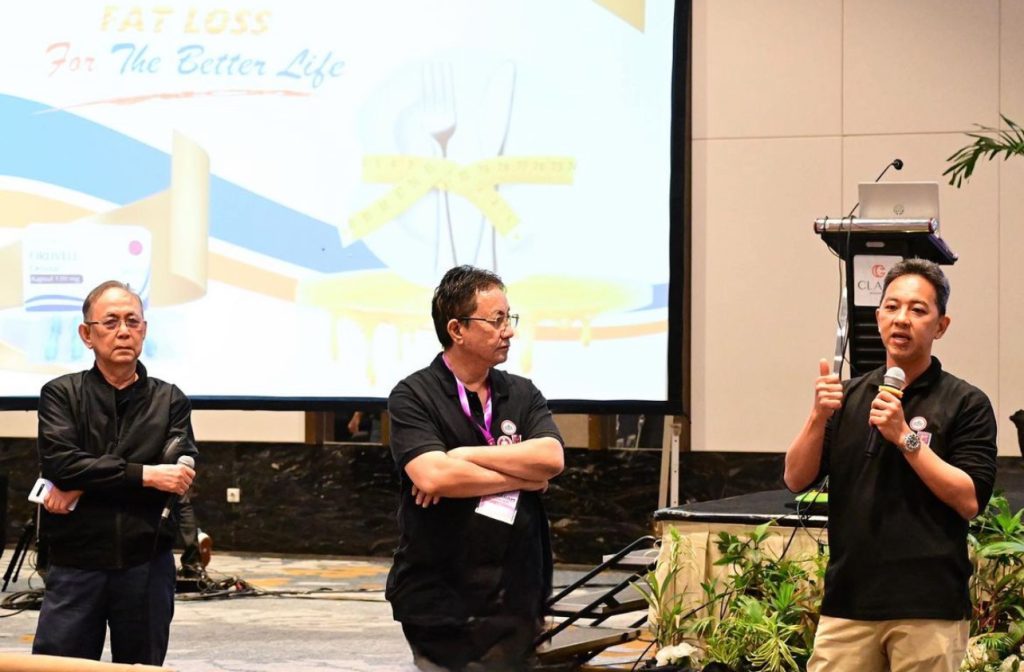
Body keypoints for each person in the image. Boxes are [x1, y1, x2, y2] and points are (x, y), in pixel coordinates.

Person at [785, 258, 997, 671]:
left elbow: (970, 499)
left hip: (928, 607)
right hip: (848, 603)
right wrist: (817, 416)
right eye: (892, 307)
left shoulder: (966, 402)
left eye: (918, 310)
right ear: (878, 317)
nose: (902, 319)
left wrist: (905, 437)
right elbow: (795, 478)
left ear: (941, 326)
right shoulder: (848, 396)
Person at [386, 265, 565, 671]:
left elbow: (551, 458)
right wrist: (526, 477)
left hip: (517, 592)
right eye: (496, 320)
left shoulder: (520, 392)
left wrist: (462, 455)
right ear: (457, 329)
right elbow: (433, 476)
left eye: (509, 318)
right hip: (441, 598)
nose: (509, 331)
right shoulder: (414, 395)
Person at [33, 280, 197, 665]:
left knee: (141, 667)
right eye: (110, 322)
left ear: (144, 330)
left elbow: (175, 476)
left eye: (132, 321)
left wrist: (79, 486)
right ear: (86, 334)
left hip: (146, 562)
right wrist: (146, 474)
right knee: (59, 667)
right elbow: (60, 463)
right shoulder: (61, 394)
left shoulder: (169, 399)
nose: (124, 331)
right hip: (76, 562)